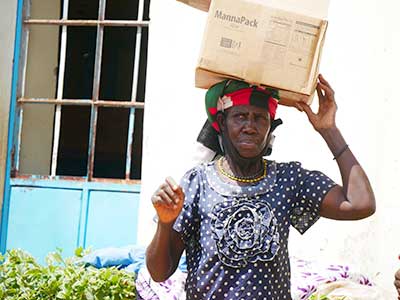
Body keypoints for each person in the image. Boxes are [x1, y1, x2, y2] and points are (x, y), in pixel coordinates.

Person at [146, 74, 376, 300]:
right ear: (222, 124)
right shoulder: (197, 182)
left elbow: (360, 204)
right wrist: (165, 224)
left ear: (270, 129)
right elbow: (159, 273)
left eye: (260, 118)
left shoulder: (289, 179)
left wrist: (329, 130)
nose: (250, 126)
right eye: (240, 116)